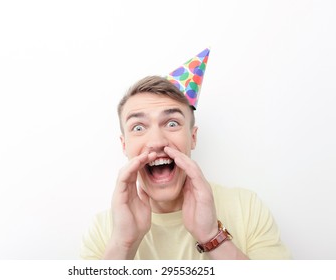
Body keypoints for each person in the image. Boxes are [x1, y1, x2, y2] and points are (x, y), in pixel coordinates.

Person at [80, 49, 291, 260]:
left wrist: (212, 237)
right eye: (138, 127)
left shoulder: (246, 208)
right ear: (124, 145)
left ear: (193, 137)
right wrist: (123, 245)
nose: (157, 141)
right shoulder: (104, 230)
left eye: (172, 123)